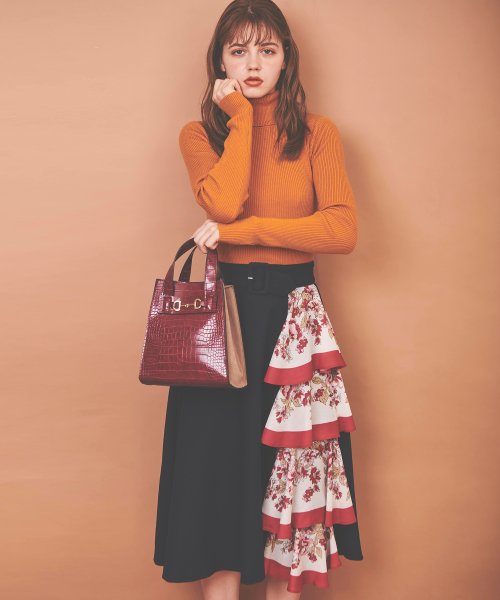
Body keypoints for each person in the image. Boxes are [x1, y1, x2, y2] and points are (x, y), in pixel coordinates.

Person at [153, 1, 363, 598]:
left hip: (294, 317)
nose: (252, 64)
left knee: (288, 473)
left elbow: (341, 230)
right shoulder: (200, 134)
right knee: (216, 474)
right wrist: (240, 119)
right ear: (219, 60)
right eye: (239, 50)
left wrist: (244, 232)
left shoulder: (318, 133)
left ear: (286, 59)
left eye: (267, 51)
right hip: (221, 319)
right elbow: (222, 203)